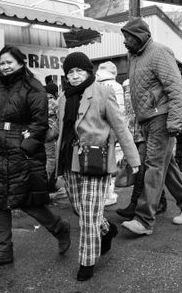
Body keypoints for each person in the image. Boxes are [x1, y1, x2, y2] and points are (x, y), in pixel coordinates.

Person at [0, 45, 71, 269]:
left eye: (9, 62)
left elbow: (40, 124)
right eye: (2, 63)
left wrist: (25, 147)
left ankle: (60, 228)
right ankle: (3, 252)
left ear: (20, 62)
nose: (5, 66)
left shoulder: (34, 87)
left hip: (22, 154)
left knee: (28, 202)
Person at [55, 52, 140, 281]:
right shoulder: (63, 97)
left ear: (88, 72)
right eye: (70, 72)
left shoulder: (104, 93)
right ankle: (107, 229)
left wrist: (133, 160)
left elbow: (120, 127)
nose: (74, 76)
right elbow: (61, 131)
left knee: (88, 216)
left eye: (78, 71)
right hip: (69, 162)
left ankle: (87, 261)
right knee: (80, 209)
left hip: (96, 161)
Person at [119, 18, 182, 236]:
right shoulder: (133, 56)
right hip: (147, 120)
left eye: (128, 38)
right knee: (167, 167)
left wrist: (174, 122)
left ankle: (144, 220)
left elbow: (175, 89)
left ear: (140, 36)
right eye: (124, 37)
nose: (124, 42)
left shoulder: (160, 52)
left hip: (161, 119)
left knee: (153, 166)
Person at [116, 79, 168, 218]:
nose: (128, 94)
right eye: (126, 91)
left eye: (129, 91)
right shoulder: (130, 92)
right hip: (136, 136)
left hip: (146, 135)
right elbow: (128, 117)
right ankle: (161, 200)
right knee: (152, 170)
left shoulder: (147, 93)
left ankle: (135, 204)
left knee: (142, 170)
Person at [95, 61, 124, 207]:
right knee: (113, 163)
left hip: (97, 131)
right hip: (113, 132)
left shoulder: (93, 86)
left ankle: (98, 194)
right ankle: (108, 195)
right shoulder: (116, 87)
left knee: (98, 163)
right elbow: (119, 113)